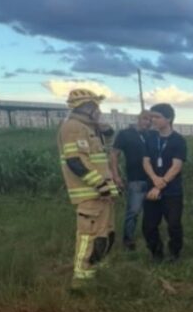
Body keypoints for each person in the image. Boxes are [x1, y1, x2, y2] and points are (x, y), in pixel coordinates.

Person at [57, 88, 120, 287]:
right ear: (87, 108)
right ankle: (81, 278)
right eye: (96, 107)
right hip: (90, 193)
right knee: (88, 235)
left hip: (101, 193)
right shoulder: (73, 127)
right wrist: (100, 184)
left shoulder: (89, 128)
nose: (99, 111)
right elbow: (75, 161)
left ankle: (97, 267)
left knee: (105, 232)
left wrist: (104, 128)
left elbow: (106, 143)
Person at [141, 103, 187, 262]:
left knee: (174, 224)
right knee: (149, 226)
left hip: (172, 191)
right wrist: (154, 180)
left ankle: (175, 253)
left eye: (157, 117)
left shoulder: (178, 140)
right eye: (152, 117)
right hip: (152, 189)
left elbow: (176, 166)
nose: (153, 120)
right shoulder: (150, 138)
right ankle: (156, 253)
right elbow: (146, 161)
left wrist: (161, 183)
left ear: (169, 118)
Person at [111, 110, 152, 250]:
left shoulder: (151, 135)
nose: (147, 122)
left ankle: (150, 236)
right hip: (135, 179)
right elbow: (114, 154)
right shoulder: (125, 134)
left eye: (150, 120)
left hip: (153, 179)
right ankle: (128, 239)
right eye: (145, 119)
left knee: (151, 211)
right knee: (133, 211)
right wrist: (116, 176)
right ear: (139, 118)